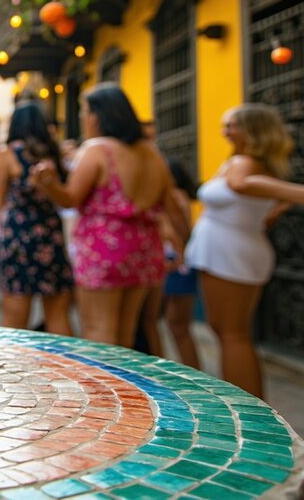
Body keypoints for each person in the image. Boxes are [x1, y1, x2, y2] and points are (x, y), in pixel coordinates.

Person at [33, 84, 181, 347]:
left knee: (98, 331)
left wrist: (47, 183)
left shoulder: (97, 149)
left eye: (84, 111)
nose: (83, 117)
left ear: (96, 116)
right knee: (126, 335)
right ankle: (127, 389)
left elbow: (71, 198)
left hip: (105, 250)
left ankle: (102, 391)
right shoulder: (151, 153)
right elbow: (171, 204)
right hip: (145, 248)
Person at [185, 104, 304, 398]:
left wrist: (291, 194)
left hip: (231, 253)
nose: (225, 130)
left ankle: (247, 408)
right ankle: (246, 403)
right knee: (229, 332)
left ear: (252, 129)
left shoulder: (243, 164)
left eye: (232, 124)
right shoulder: (254, 162)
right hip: (234, 248)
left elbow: (240, 185)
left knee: (232, 334)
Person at [0, 102, 74, 336]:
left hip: (18, 237)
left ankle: (11, 372)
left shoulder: (7, 153)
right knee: (58, 317)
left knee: (14, 320)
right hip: (50, 237)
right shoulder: (54, 153)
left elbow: (0, 200)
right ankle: (65, 370)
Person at [160, 157, 199, 369]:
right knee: (176, 324)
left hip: (177, 263)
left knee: (178, 324)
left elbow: (182, 232)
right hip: (179, 262)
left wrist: (179, 255)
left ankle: (192, 372)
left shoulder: (174, 197)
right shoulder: (179, 196)